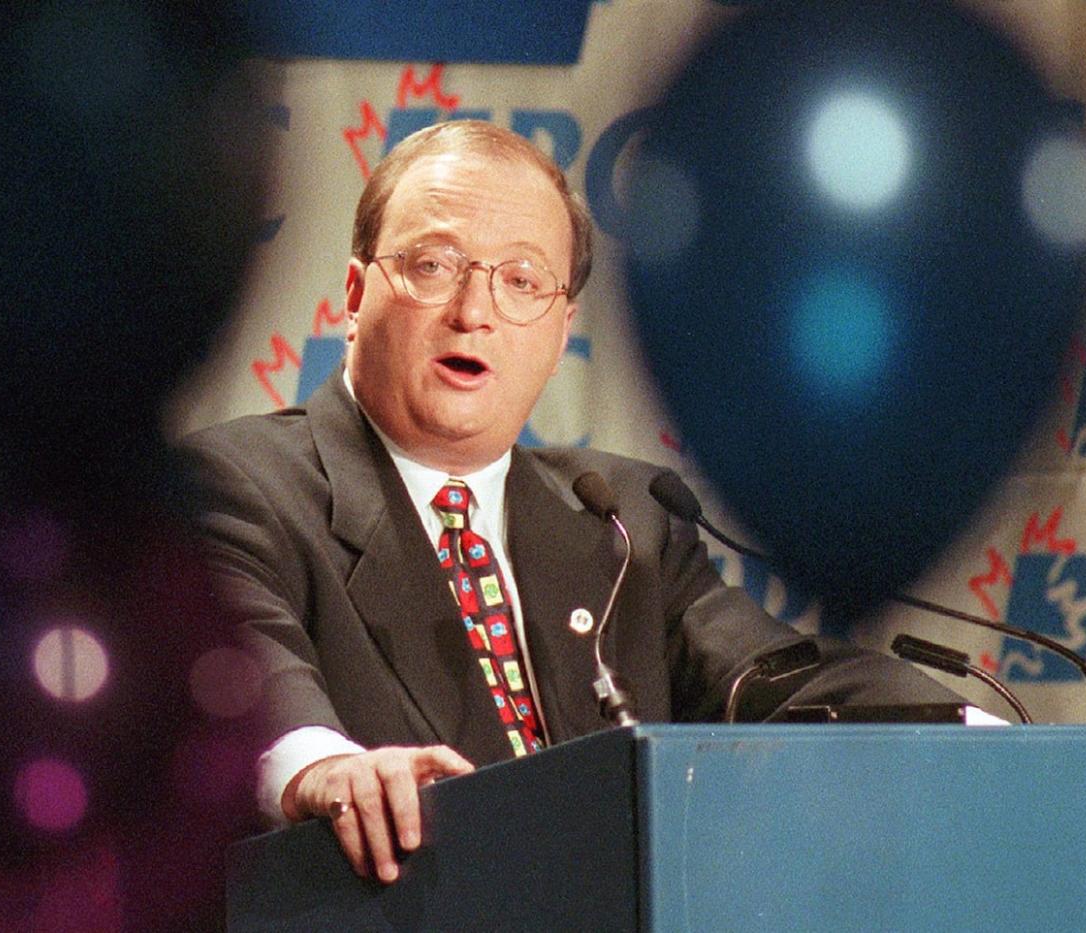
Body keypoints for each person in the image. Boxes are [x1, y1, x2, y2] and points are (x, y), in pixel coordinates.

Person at [181, 120, 966, 885]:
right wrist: (324, 766)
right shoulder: (238, 483)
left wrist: (973, 736)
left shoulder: (620, 515)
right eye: (432, 265)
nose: (473, 312)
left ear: (560, 335)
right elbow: (248, 680)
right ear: (355, 296)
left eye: (521, 280)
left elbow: (769, 675)